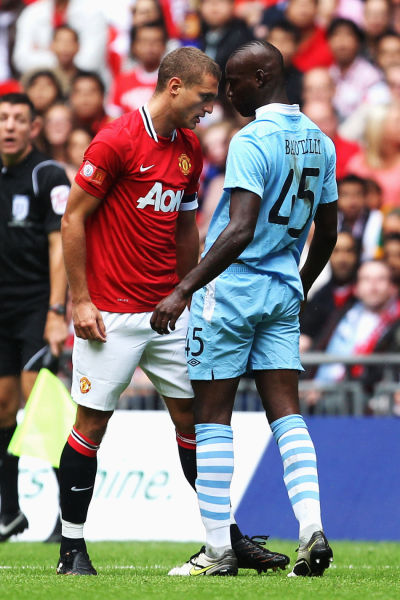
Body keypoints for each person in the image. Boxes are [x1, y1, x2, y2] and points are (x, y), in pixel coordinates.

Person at [57, 46, 289, 577]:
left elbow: (186, 227)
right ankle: (71, 548)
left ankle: (226, 540)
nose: (211, 107)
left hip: (167, 311)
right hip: (110, 314)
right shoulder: (115, 141)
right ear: (174, 87)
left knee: (196, 422)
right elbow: (73, 220)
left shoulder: (189, 148)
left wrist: (191, 293)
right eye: (205, 97)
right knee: (91, 425)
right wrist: (81, 300)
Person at [151, 40, 338, 577]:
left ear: (260, 77)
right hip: (281, 291)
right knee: (287, 414)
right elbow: (327, 231)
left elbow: (239, 229)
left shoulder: (251, 139)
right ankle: (311, 527)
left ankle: (217, 551)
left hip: (230, 293)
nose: (227, 94)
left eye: (233, 82)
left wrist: (184, 288)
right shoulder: (320, 140)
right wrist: (300, 283)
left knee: (212, 420)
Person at [0, 92, 70, 541]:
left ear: (33, 128)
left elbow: (60, 244)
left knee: (40, 407)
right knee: (3, 407)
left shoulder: (47, 175)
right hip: (1, 311)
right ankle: (9, 512)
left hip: (36, 307)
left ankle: (69, 516)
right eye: (3, 118)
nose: (9, 126)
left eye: (18, 119)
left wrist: (56, 311)